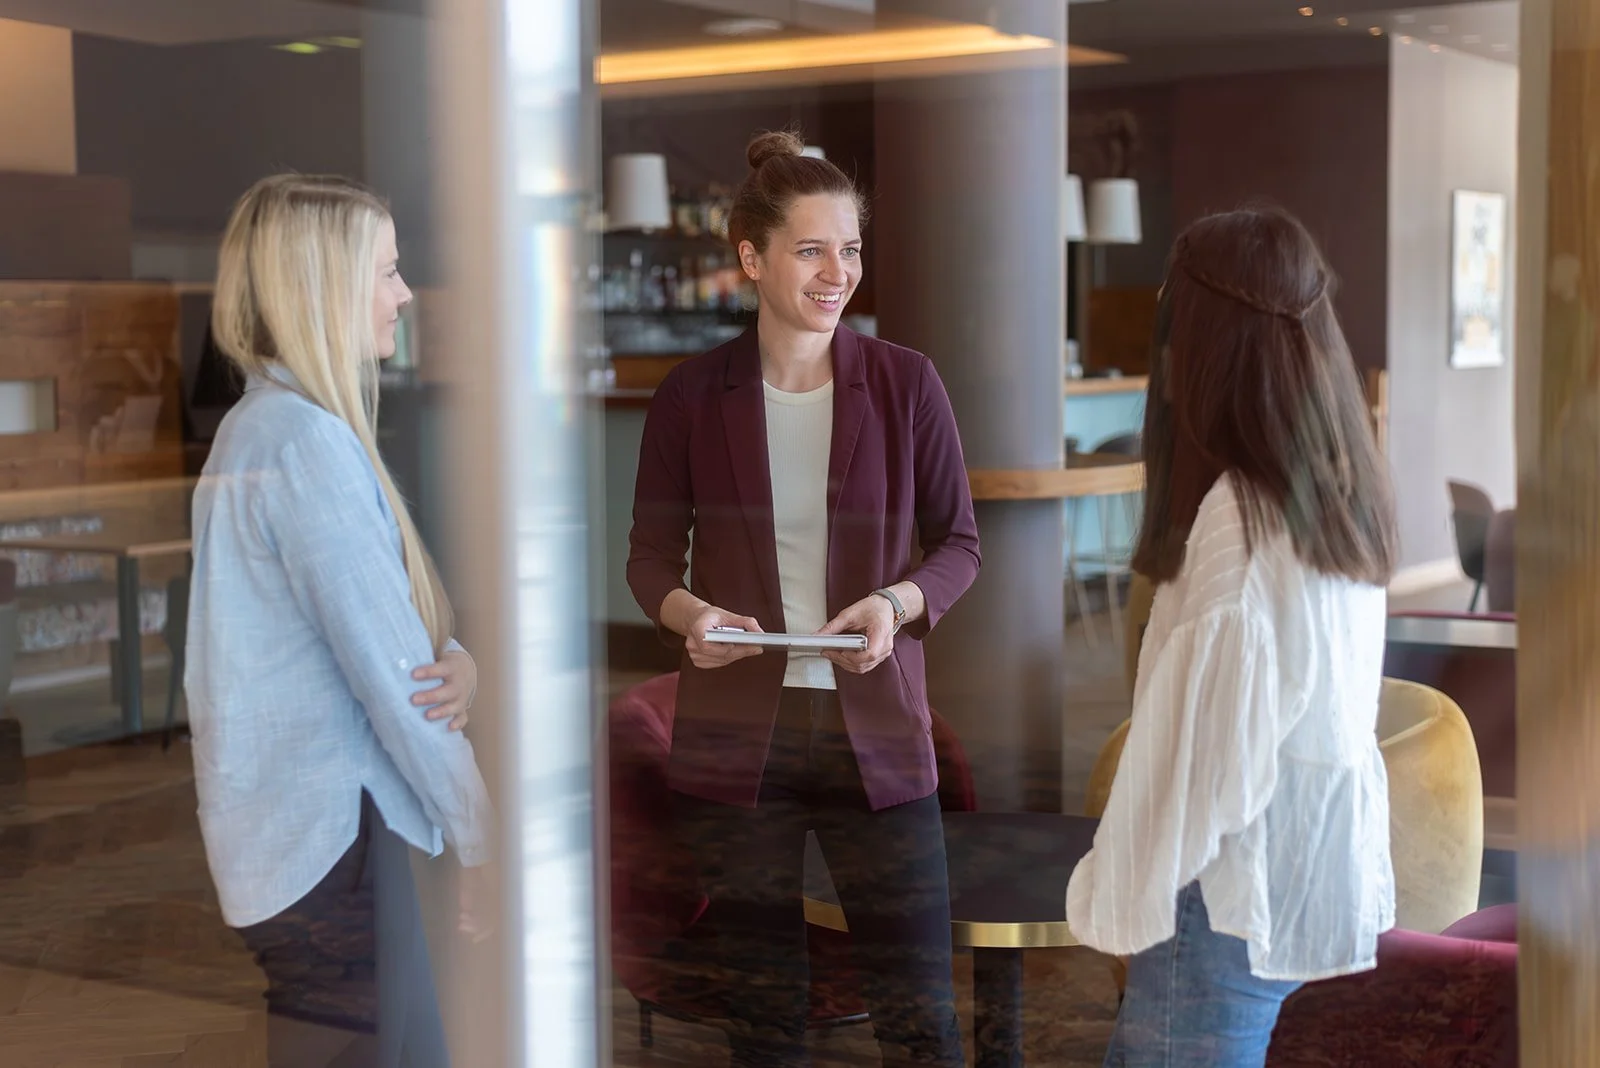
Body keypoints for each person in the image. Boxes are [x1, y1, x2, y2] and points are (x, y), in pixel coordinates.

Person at [627, 129, 981, 1067]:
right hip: (739, 740)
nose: (839, 273)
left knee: (920, 1017)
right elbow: (650, 562)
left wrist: (897, 605)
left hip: (878, 734)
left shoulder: (906, 384)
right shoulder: (693, 396)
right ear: (751, 257)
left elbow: (959, 545)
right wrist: (690, 617)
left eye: (852, 248)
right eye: (812, 248)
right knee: (765, 1022)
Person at [1065, 207, 1399, 1068]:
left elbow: (1205, 770)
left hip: (1221, 896)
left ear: (1206, 349)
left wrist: (1116, 886)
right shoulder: (1334, 492)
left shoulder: (1239, 522)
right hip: (1298, 877)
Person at [186, 174, 495, 1067]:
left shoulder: (263, 431)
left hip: (303, 850)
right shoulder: (305, 445)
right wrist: (481, 838)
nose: (405, 294)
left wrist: (457, 660)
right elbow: (400, 684)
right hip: (336, 849)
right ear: (323, 286)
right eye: (388, 271)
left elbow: (394, 637)